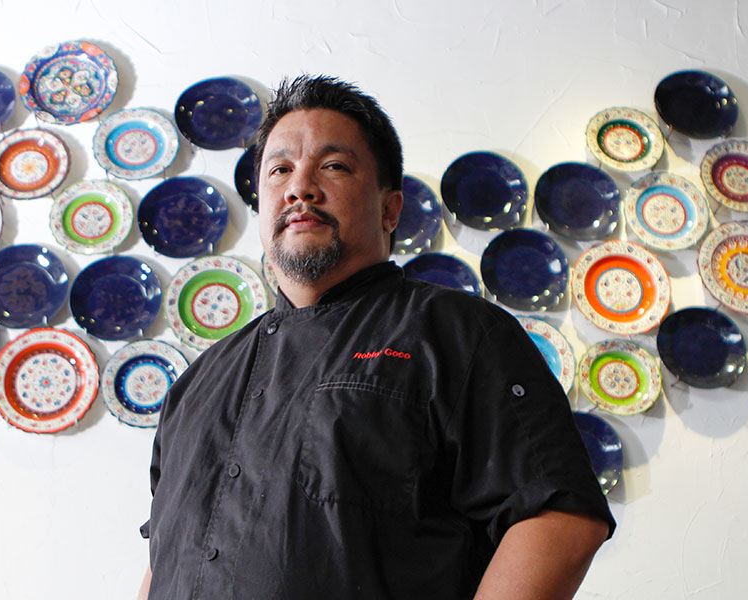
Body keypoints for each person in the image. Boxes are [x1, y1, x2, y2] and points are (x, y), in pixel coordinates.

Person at [139, 75, 614, 600]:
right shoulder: (198, 381)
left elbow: (559, 518)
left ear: (390, 209)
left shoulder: (458, 333)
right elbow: (163, 558)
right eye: (279, 170)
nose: (300, 188)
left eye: (334, 166)